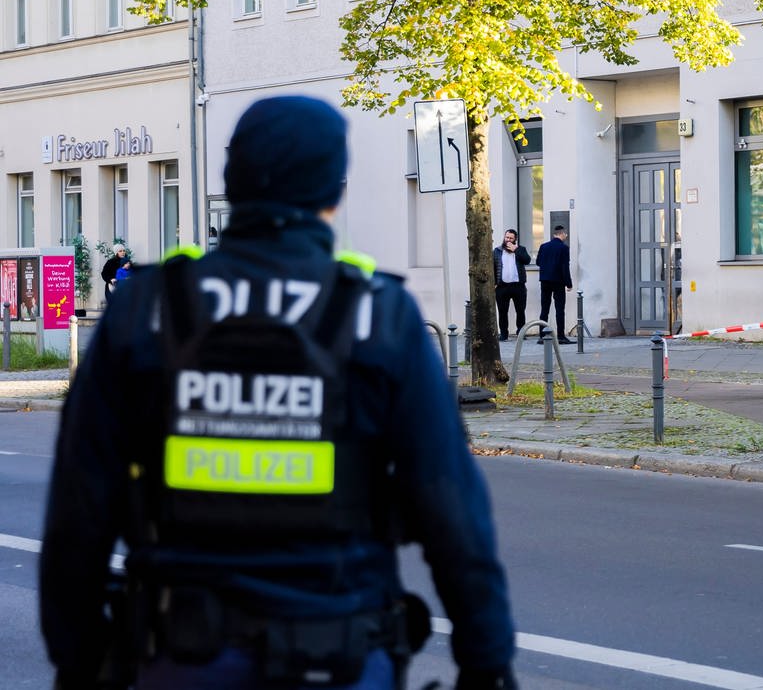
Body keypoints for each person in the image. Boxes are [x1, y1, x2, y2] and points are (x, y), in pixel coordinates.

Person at [40, 96, 517, 689]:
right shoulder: (379, 316)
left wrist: (78, 660)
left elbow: (79, 509)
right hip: (338, 654)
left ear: (233, 182)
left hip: (179, 656)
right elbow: (452, 509)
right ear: (332, 191)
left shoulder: (148, 310)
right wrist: (488, 663)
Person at [536, 223, 574, 344]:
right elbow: (565, 267)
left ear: (554, 234)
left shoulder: (544, 246)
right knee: (559, 309)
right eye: (565, 234)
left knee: (544, 309)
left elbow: (538, 262)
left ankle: (542, 336)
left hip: (545, 281)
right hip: (558, 281)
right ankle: (561, 336)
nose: (566, 236)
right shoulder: (564, 248)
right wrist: (569, 283)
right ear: (562, 234)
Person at [493, 228, 531, 341]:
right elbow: (493, 267)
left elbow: (527, 260)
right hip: (502, 287)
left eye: (511, 238)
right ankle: (504, 334)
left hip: (518, 286)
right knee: (502, 311)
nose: (508, 240)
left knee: (520, 310)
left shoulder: (521, 250)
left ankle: (521, 332)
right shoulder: (497, 251)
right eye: (506, 237)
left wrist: (516, 250)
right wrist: (494, 283)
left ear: (515, 240)